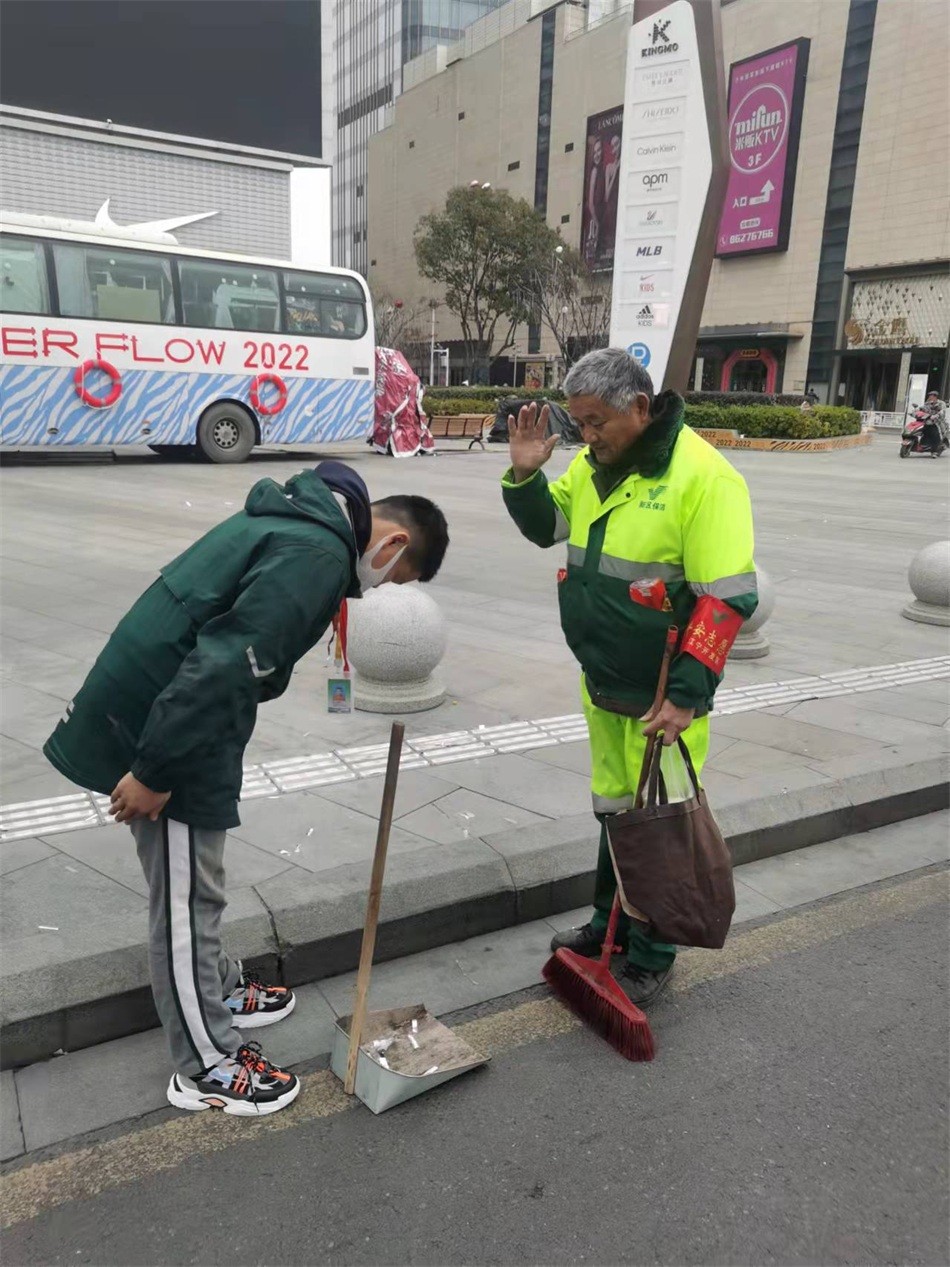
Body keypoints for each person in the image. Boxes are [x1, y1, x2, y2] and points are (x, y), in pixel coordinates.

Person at [44, 462, 448, 1116]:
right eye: (392, 579)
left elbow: (244, 655)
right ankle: (205, 1063)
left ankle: (218, 988)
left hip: (185, 714)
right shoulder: (317, 551)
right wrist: (152, 773)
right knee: (183, 900)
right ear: (393, 543)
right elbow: (223, 663)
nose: (378, 588)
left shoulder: (308, 523)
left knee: (198, 882)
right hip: (166, 721)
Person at [501, 347, 756, 1008]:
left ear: (638, 407)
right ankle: (606, 925)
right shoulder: (594, 469)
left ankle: (653, 949)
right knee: (617, 809)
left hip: (662, 692)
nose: (587, 438)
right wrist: (526, 477)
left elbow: (725, 598)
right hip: (604, 680)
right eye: (579, 423)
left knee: (661, 822)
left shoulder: (704, 476)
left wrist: (685, 697)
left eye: (596, 422)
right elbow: (548, 526)